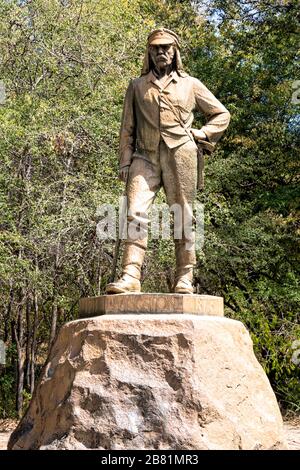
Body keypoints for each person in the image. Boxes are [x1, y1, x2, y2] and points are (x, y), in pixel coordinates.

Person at [106, 28, 230, 294]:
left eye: (166, 47)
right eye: (156, 48)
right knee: (134, 212)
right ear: (149, 53)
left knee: (183, 214)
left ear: (175, 52)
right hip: (144, 156)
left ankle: (185, 276)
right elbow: (127, 128)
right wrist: (124, 162)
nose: (161, 52)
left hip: (181, 154)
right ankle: (130, 274)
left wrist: (203, 133)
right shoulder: (137, 86)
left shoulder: (191, 84)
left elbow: (221, 114)